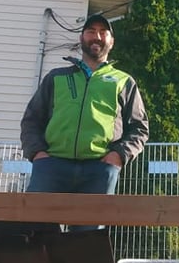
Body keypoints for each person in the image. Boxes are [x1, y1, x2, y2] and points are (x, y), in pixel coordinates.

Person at [20, 13, 149, 230]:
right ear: (81, 38)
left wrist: (118, 156)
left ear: (111, 41)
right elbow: (31, 120)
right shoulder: (56, 77)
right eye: (90, 31)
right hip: (51, 166)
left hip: (99, 170)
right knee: (36, 233)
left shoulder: (124, 81)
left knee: (86, 243)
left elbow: (139, 128)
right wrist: (38, 154)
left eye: (102, 32)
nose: (96, 36)